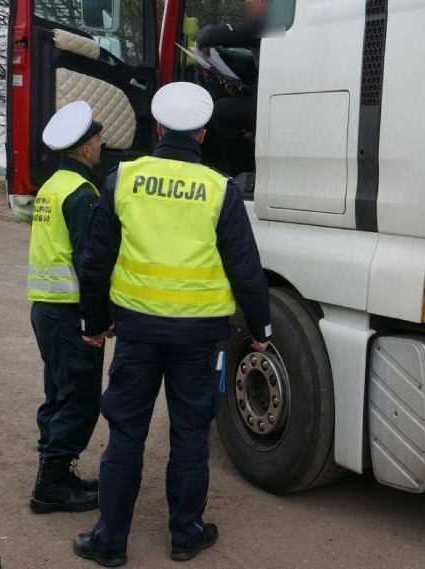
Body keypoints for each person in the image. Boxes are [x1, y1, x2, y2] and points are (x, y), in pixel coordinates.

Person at [72, 82, 272, 567]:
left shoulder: (123, 178)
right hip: (199, 337)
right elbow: (246, 267)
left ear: (158, 128)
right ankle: (185, 535)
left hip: (137, 331)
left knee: (127, 434)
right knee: (189, 434)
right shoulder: (219, 189)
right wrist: (262, 329)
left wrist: (94, 323)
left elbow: (95, 260)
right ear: (202, 135)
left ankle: (110, 541)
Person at [27, 101, 106, 514]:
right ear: (86, 148)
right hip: (70, 312)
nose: (102, 142)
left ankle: (54, 471)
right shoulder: (82, 194)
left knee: (57, 394)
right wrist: (98, 320)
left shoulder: (51, 186)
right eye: (98, 137)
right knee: (79, 397)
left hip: (46, 310)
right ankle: (52, 486)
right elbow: (87, 263)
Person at [195, 0, 267, 177]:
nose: (246, 6)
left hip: (281, 104)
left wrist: (201, 39)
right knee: (230, 102)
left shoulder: (274, 25)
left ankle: (240, 175)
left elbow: (210, 34)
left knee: (222, 111)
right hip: (275, 95)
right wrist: (244, 89)